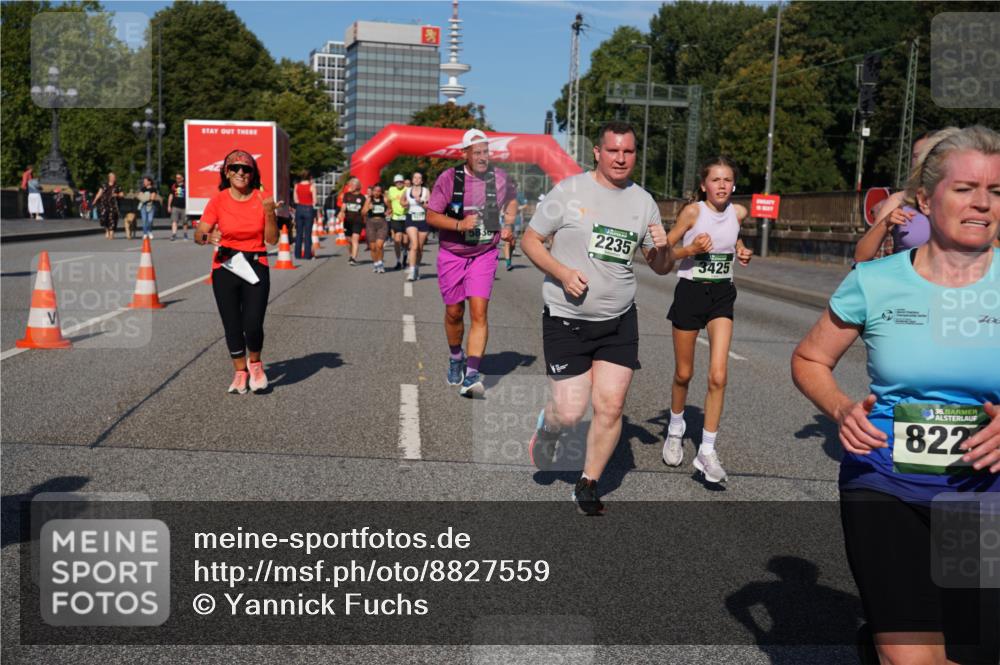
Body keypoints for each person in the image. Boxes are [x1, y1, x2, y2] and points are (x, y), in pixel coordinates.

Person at [792, 125, 1000, 665]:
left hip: (983, 497)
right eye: (965, 189)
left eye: (996, 191)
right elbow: (810, 359)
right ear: (927, 199)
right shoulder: (876, 281)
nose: (982, 203)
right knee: (913, 656)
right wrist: (840, 407)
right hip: (885, 482)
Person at [521, 121, 673, 515]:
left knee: (610, 406)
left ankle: (588, 482)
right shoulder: (569, 192)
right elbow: (530, 240)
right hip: (566, 319)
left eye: (629, 152)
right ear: (598, 153)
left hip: (618, 320)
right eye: (614, 151)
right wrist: (562, 272)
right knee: (571, 412)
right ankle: (550, 427)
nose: (621, 158)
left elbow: (659, 267)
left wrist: (664, 250)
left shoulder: (644, 202)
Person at [661, 156, 754, 483]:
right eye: (716, 180)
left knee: (718, 375)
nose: (722, 186)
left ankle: (707, 450)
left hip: (721, 294)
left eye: (728, 180)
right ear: (704, 185)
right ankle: (675, 429)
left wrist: (741, 250)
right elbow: (662, 253)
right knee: (684, 373)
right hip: (689, 292)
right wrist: (690, 251)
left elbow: (732, 236)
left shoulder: (739, 212)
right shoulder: (692, 213)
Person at [426, 128, 518, 397]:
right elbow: (432, 216)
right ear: (464, 153)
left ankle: (473, 373)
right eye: (476, 152)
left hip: (483, 253)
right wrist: (459, 224)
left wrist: (509, 224)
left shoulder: (499, 178)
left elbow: (512, 199)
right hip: (453, 253)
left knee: (479, 311)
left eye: (485, 151)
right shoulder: (448, 179)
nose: (482, 156)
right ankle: (456, 357)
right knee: (454, 313)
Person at [195, 149, 280, 394]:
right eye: (235, 168)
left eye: (246, 169)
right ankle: (240, 372)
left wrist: (269, 212)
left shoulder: (263, 198)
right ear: (227, 171)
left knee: (252, 324)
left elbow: (272, 240)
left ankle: (255, 365)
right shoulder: (218, 200)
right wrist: (208, 236)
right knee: (232, 324)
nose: (241, 172)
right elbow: (199, 234)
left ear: (253, 174)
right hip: (225, 266)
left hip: (256, 265)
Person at [854, 132, 937, 263]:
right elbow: (861, 255)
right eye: (916, 156)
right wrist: (885, 223)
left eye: (927, 155)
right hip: (906, 279)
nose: (920, 161)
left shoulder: (958, 200)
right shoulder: (899, 200)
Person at [404, 172, 431, 282]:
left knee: (420, 247)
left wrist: (421, 202)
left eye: (419, 178)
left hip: (423, 219)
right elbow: (402, 201)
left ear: (422, 181)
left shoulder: (426, 191)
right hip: (411, 219)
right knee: (414, 245)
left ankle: (417, 268)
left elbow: (430, 206)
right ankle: (411, 271)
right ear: (412, 179)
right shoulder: (407, 190)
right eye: (414, 177)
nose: (416, 179)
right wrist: (404, 204)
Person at [337, 177, 366, 266]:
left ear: (357, 186)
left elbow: (364, 211)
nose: (349, 187)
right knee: (349, 240)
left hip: (358, 221)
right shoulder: (347, 195)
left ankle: (353, 258)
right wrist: (341, 212)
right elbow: (344, 206)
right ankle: (351, 254)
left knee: (355, 239)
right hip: (348, 221)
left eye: (351, 185)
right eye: (350, 185)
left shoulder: (362, 198)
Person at [362, 183, 389, 273]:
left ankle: (380, 263)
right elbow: (363, 213)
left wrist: (388, 213)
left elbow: (390, 208)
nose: (377, 193)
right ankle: (376, 263)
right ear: (372, 192)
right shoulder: (369, 200)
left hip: (382, 223)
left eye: (379, 191)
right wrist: (368, 208)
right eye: (375, 191)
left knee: (380, 245)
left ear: (381, 192)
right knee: (373, 247)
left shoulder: (384, 199)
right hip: (371, 223)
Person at [387, 173, 409, 270]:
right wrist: (390, 208)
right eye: (397, 182)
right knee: (397, 239)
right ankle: (398, 261)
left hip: (406, 217)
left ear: (403, 182)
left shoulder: (407, 190)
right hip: (396, 217)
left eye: (400, 181)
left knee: (405, 241)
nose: (399, 183)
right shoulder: (391, 190)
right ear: (395, 183)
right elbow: (388, 200)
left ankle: (405, 255)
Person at [292, 170, 316, 260]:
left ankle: (297, 254)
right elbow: (315, 200)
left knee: (299, 233)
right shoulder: (312, 186)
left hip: (299, 209)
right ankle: (307, 255)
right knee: (308, 233)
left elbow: (295, 200)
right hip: (308, 209)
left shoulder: (297, 186)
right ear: (310, 177)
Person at [92, 172, 123, 239]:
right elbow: (99, 193)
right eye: (112, 177)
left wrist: (117, 195)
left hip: (113, 205)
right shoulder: (104, 185)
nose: (113, 178)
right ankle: (107, 231)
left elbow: (122, 194)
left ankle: (111, 233)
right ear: (109, 178)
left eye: (114, 177)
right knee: (104, 218)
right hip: (104, 204)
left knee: (112, 219)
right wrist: (95, 200)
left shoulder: (117, 186)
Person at [168, 173, 189, 241]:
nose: (177, 179)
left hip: (185, 207)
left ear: (183, 178)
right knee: (174, 221)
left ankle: (185, 234)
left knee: (185, 222)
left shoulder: (186, 186)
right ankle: (174, 234)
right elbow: (171, 196)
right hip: (175, 206)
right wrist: (169, 206)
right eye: (176, 178)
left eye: (179, 178)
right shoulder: (174, 186)